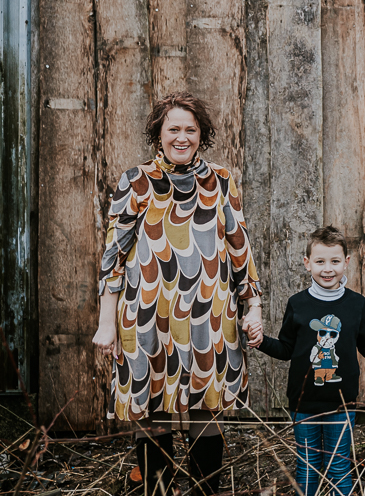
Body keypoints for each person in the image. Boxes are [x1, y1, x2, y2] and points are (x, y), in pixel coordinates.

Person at [91, 92, 263, 496]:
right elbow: (112, 257)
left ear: (202, 135)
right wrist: (106, 324)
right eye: (173, 129)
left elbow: (240, 247)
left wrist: (252, 307)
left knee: (207, 410)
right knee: (153, 412)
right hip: (147, 317)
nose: (182, 137)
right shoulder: (136, 181)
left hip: (210, 319)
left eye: (191, 129)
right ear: (158, 134)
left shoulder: (221, 180)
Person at [252, 226, 365, 496]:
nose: (327, 269)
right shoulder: (298, 304)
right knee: (308, 467)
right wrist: (260, 341)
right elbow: (286, 349)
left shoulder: (356, 304)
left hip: (341, 403)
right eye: (320, 261)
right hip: (303, 402)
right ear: (307, 263)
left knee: (339, 468)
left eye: (334, 261)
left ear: (346, 262)